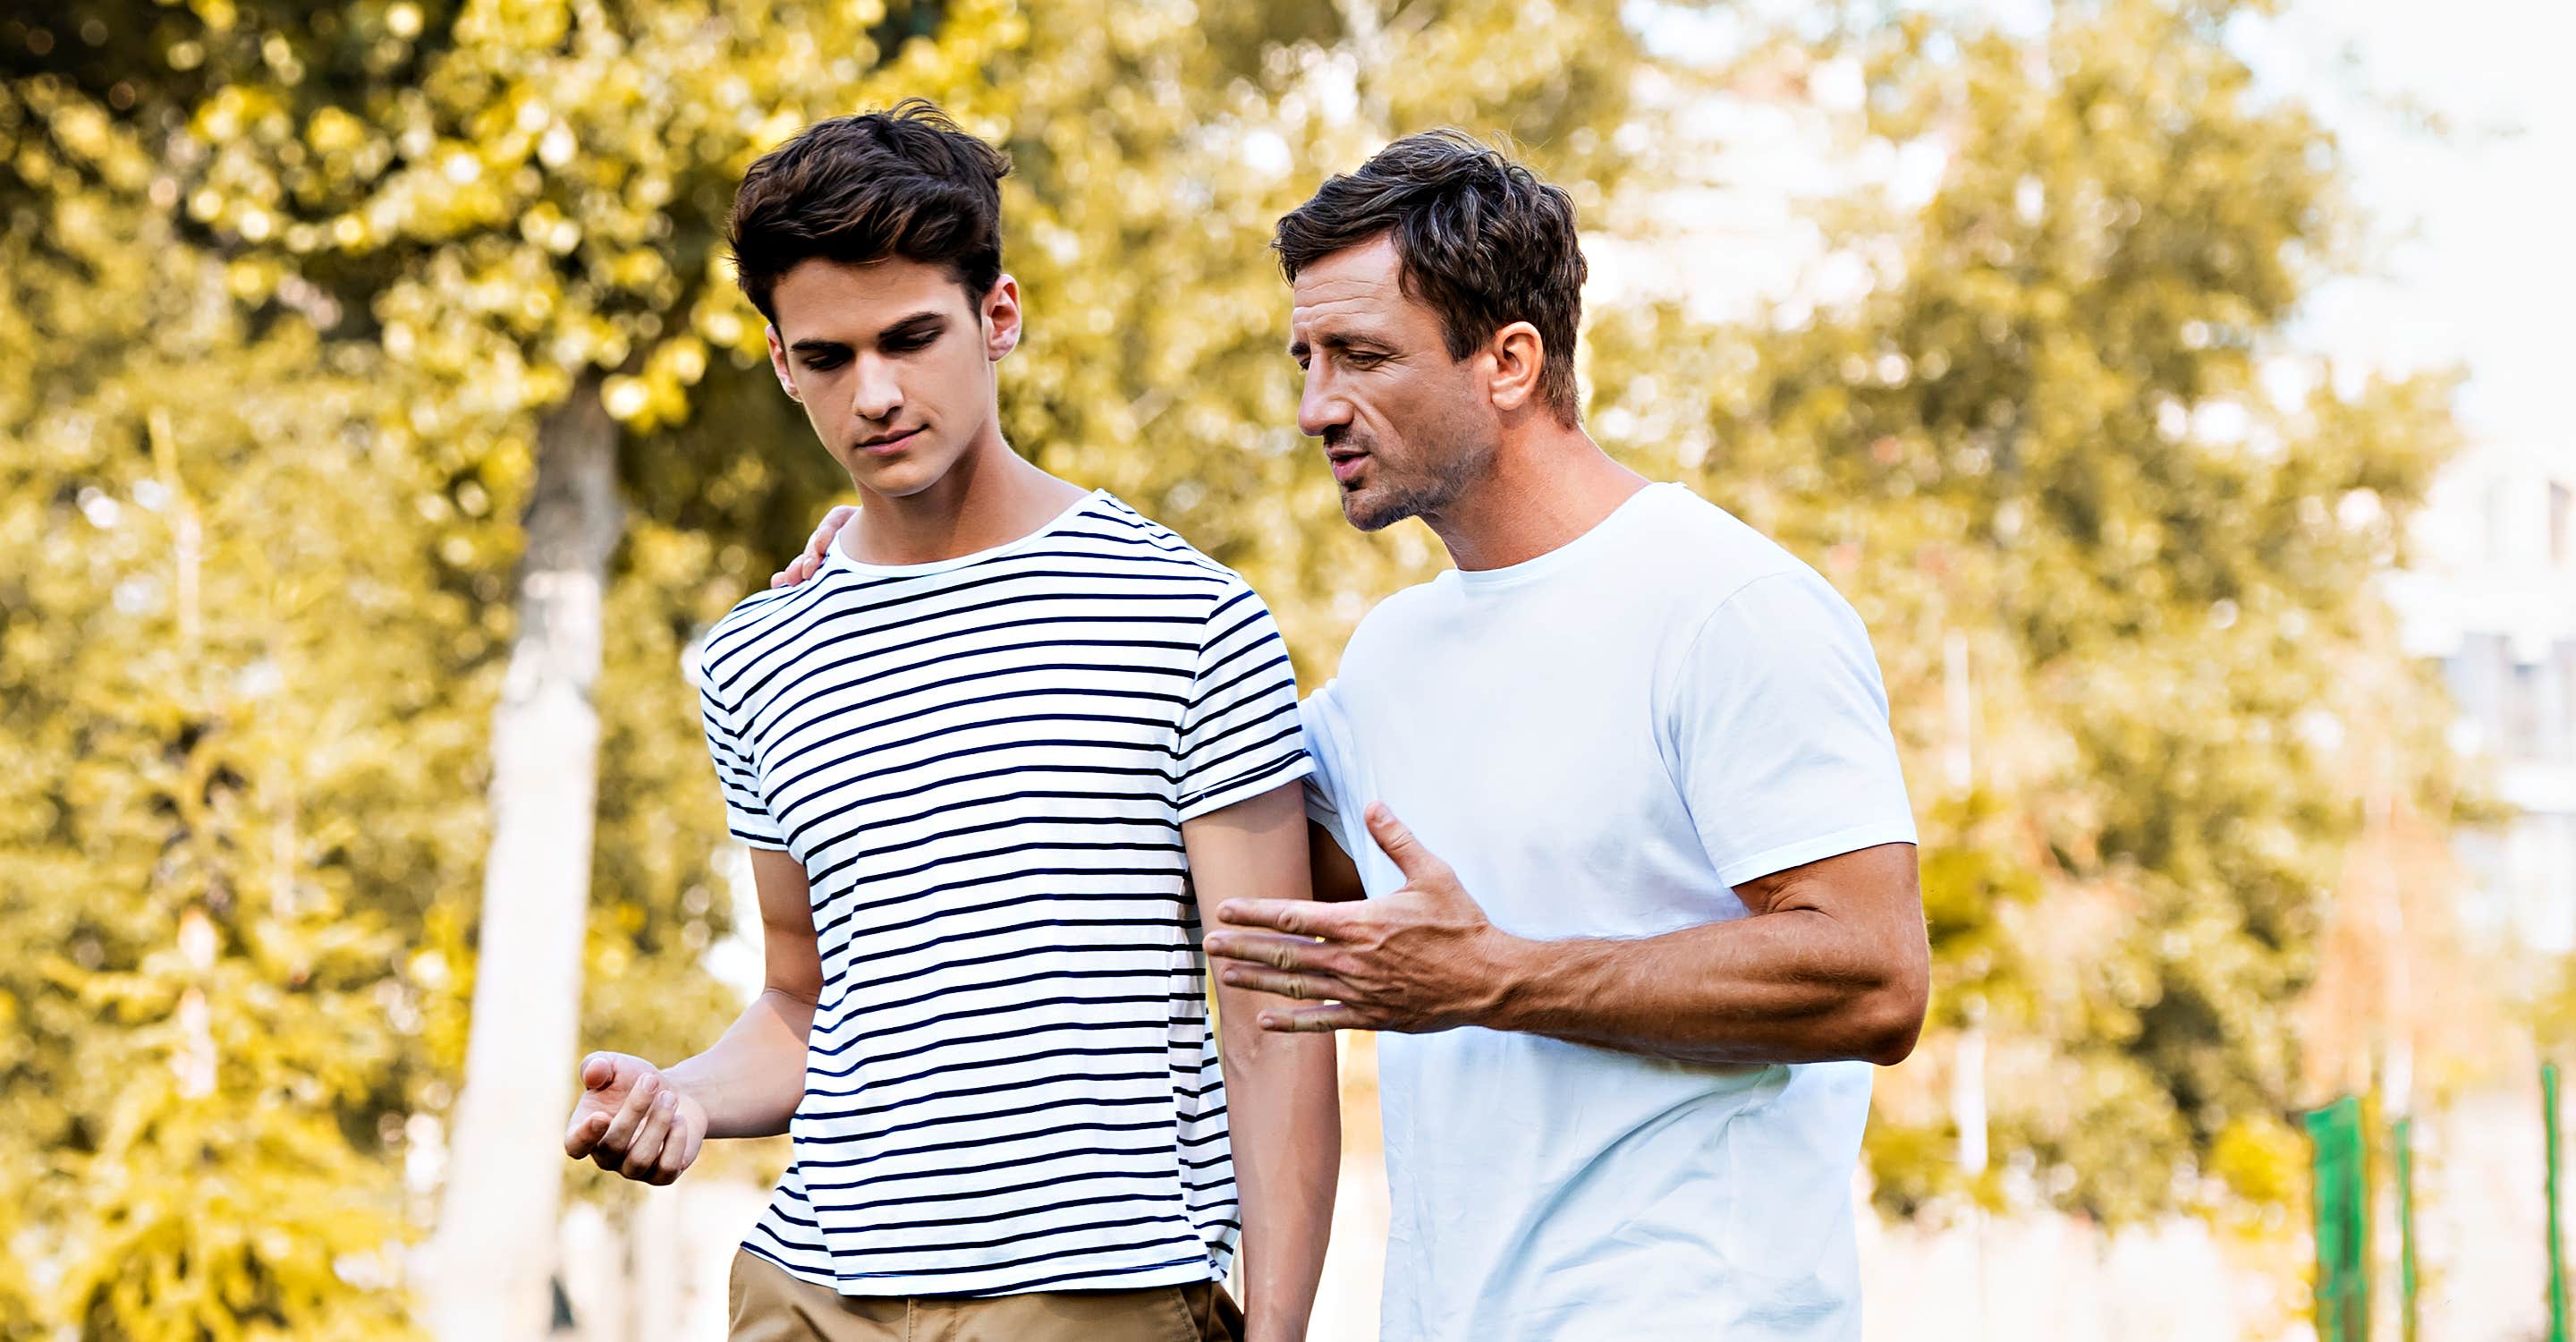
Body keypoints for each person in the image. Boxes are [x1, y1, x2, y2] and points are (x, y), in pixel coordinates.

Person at [783, 130, 1929, 1342]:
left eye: (1361, 357)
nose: (1314, 406)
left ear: (1509, 360)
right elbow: (1183, 847)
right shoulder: (1394, 656)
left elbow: (1872, 973)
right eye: (1305, 357)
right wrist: (895, 558)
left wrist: (1500, 978)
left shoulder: (1725, 606)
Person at [566, 100, 1338, 1342]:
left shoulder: (1185, 614)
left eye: (911, 338)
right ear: (781, 364)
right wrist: (686, 1095)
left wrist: (1283, 1332)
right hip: (808, 1289)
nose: (873, 394)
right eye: (826, 359)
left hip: (1094, 1290)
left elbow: (1268, 1021)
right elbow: (801, 1006)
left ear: (999, 318)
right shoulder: (756, 657)